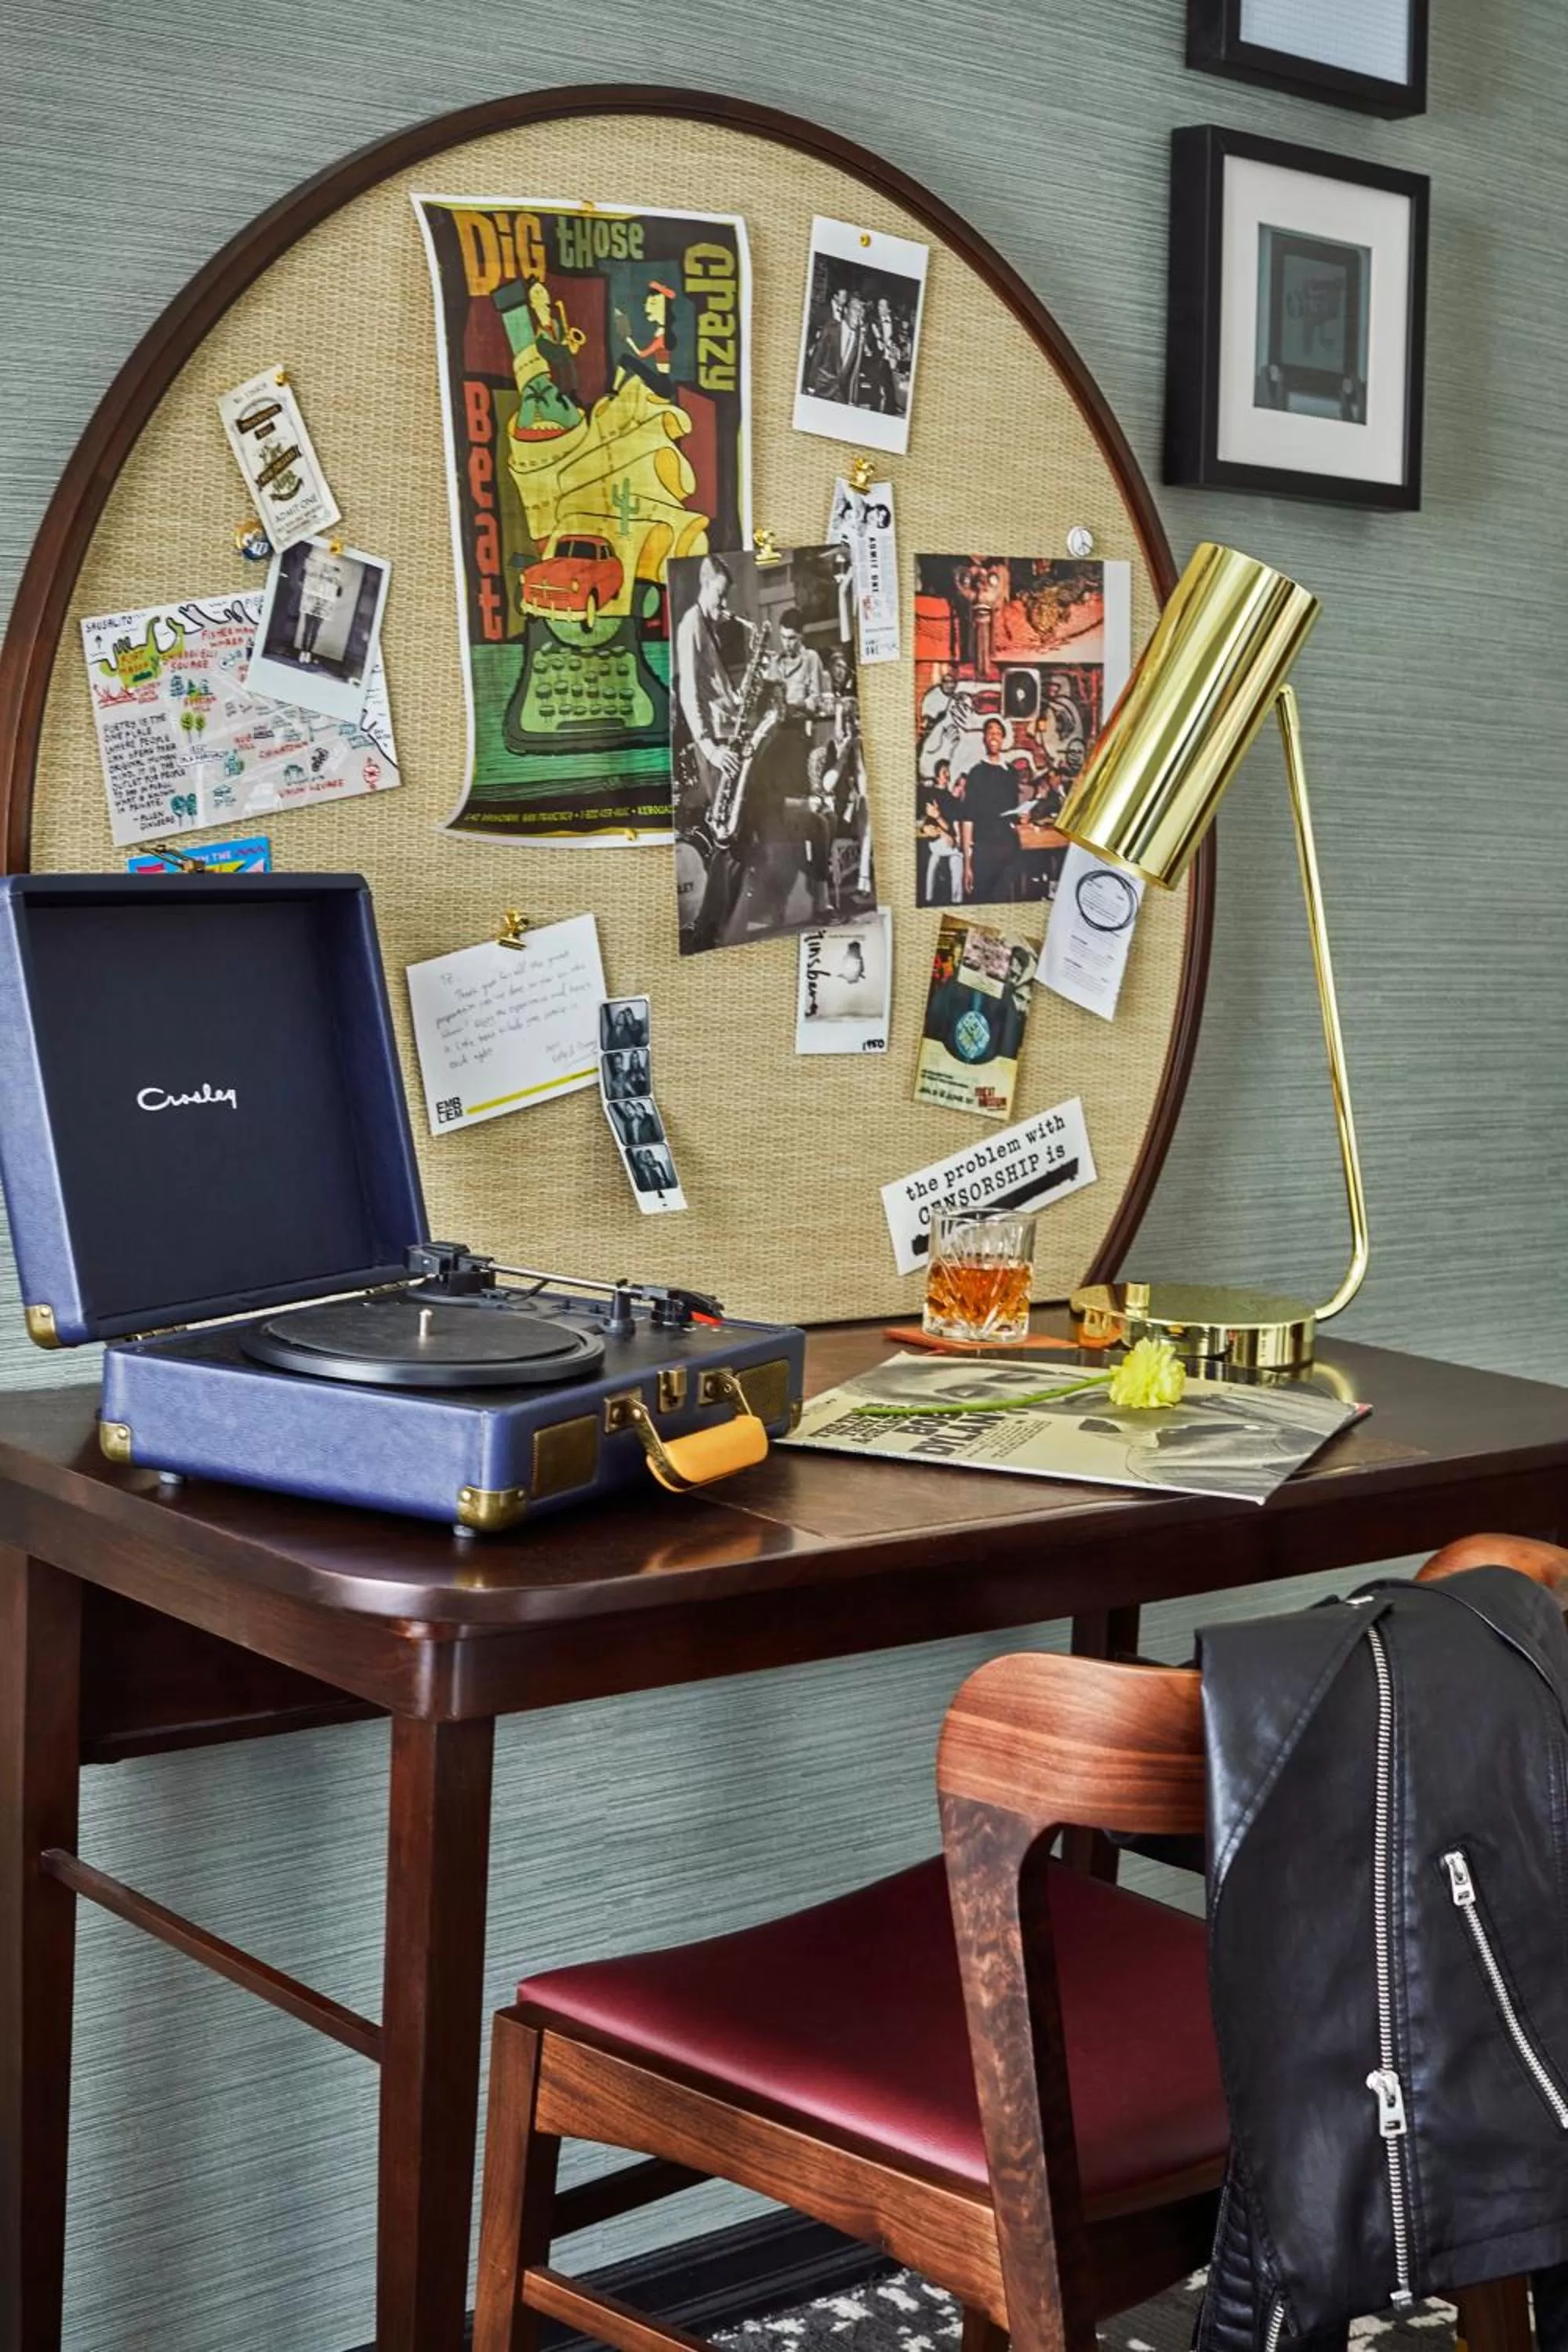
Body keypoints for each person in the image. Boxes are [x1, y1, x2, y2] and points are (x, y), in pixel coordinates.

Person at [959, 717, 1022, 903]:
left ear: (1003, 739)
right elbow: (967, 819)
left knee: (1003, 903)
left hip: (1008, 848)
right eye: (990, 732)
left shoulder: (1011, 772)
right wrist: (967, 865)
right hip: (984, 850)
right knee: (980, 902)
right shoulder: (976, 773)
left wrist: (1022, 817)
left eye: (998, 733)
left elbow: (1013, 813)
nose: (994, 736)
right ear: (984, 739)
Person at [919, 757, 964, 906]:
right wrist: (943, 831)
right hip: (937, 841)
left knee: (953, 859)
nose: (948, 776)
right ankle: (955, 899)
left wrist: (943, 828)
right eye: (944, 772)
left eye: (949, 773)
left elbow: (948, 825)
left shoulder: (950, 798)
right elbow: (929, 823)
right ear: (937, 775)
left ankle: (937, 898)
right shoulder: (930, 794)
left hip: (942, 842)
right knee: (957, 854)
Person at [294, 545, 345, 665]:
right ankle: (303, 651)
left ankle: (309, 653)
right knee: (307, 629)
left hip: (324, 606)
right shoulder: (317, 571)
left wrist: (337, 586)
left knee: (315, 631)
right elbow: (304, 580)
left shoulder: (336, 577)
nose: (328, 571)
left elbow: (338, 594)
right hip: (312, 602)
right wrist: (307, 576)